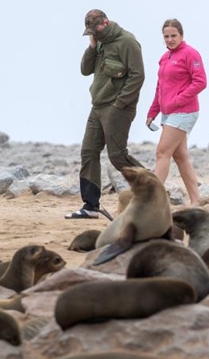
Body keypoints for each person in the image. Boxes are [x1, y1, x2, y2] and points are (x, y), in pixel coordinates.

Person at [65, 9, 146, 220]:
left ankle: (151, 191)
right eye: (91, 31)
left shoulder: (127, 42)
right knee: (88, 151)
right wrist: (92, 45)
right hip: (98, 105)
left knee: (117, 155)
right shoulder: (98, 42)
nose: (95, 34)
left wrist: (120, 104)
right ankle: (90, 206)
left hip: (117, 107)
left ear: (106, 23)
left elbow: (137, 76)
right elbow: (85, 70)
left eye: (96, 30)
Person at [146, 19, 207, 206]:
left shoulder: (190, 54)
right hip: (168, 113)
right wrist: (152, 112)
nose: (170, 39)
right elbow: (160, 87)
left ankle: (151, 201)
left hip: (184, 111)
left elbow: (201, 82)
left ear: (181, 35)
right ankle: (196, 201)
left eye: (173, 36)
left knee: (162, 152)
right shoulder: (165, 58)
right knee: (180, 157)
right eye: (166, 36)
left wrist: (178, 100)